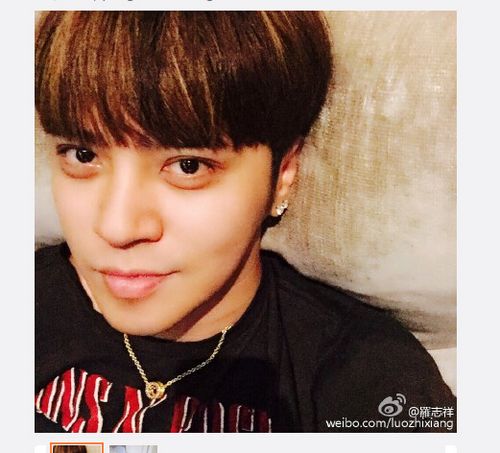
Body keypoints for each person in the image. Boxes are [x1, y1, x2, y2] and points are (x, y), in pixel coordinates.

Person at [35, 11, 455, 433]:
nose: (117, 228)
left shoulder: (367, 374)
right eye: (82, 155)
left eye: (188, 166)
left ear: (283, 175)